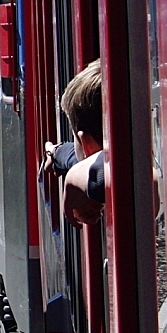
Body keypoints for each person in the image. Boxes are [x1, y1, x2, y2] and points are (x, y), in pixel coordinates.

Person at [43, 59, 105, 225]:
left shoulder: (137, 176)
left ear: (87, 145)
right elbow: (83, 158)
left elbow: (109, 168)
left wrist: (72, 177)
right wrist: (58, 153)